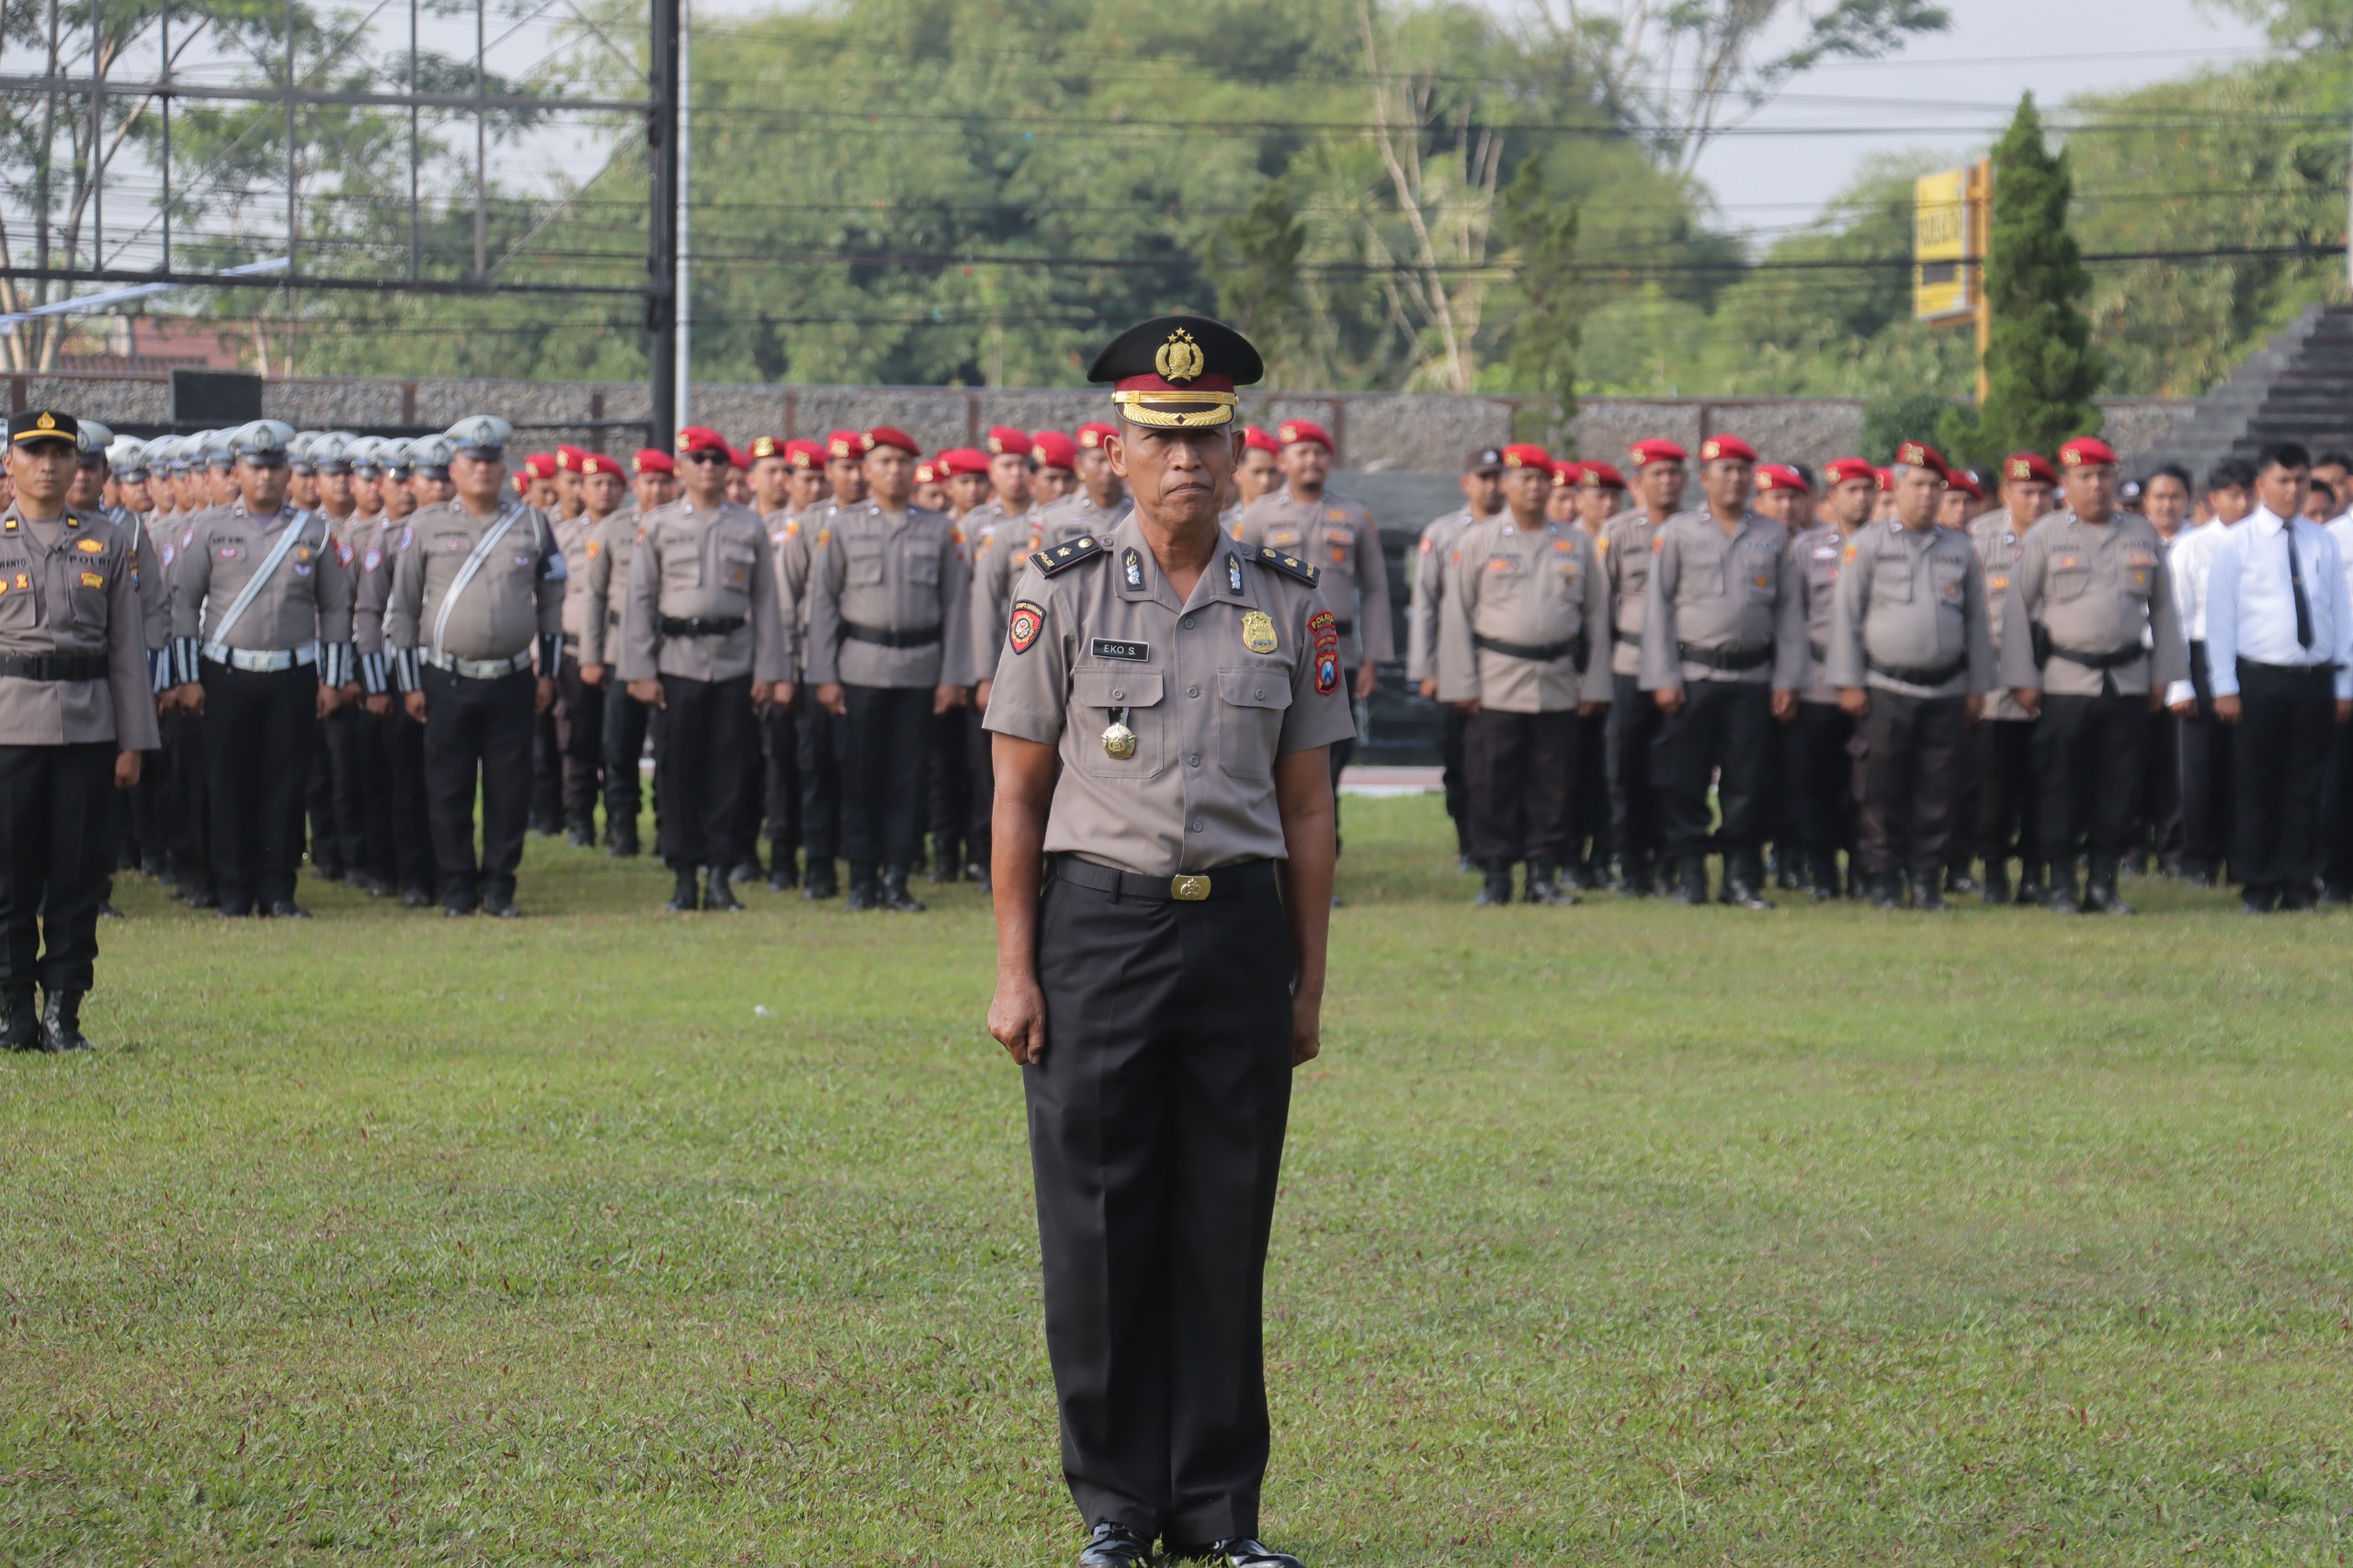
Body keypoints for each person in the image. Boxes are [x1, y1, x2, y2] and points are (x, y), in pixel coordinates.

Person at [983, 314, 1347, 1568]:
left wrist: (1306, 983)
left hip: (1237, 933)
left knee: (1224, 1223)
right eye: (1161, 438)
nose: (1184, 458)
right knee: (1097, 1225)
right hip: (1099, 933)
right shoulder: (1061, 587)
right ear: (1117, 451)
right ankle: (1117, 1507)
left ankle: (1221, 1513)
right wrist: (1015, 969)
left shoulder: (1291, 602)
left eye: (1206, 437)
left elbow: (1310, 811)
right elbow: (1017, 794)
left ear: (1240, 452)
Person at [0, 411, 159, 1051]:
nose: (48, 465)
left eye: (60, 453)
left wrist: (133, 742)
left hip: (88, 731)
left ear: (78, 464)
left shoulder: (108, 542)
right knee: (8, 877)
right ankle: (12, 1010)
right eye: (34, 452)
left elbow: (128, 650)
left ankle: (63, 1012)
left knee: (77, 875)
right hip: (9, 729)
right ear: (9, 462)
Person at [166, 420, 354, 919]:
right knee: (227, 784)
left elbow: (336, 607)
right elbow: (183, 604)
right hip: (226, 675)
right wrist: (187, 678)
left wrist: (334, 679)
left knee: (286, 785)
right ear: (238, 471)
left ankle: (278, 890)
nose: (266, 476)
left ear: (287, 471)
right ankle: (233, 890)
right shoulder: (210, 529)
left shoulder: (314, 532)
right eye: (256, 466)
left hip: (293, 675)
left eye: (274, 466)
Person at [384, 415, 564, 918]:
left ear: (503, 467)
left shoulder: (532, 524)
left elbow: (553, 600)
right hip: (447, 678)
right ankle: (458, 886)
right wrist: (409, 683)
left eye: (491, 460)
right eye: (472, 461)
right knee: (449, 787)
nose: (482, 469)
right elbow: (402, 609)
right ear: (455, 469)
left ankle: (500, 886)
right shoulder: (425, 526)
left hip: (512, 678)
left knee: (510, 788)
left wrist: (548, 671)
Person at [2000, 436, 2188, 915]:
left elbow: (2164, 611)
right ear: (2066, 484)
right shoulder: (2045, 535)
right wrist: (2022, 678)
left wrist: (2163, 677)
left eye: (2104, 475)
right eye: (2084, 476)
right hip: (2065, 680)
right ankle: (2062, 882)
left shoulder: (2141, 533)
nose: (2096, 485)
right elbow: (2017, 609)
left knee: (2120, 786)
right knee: (2060, 786)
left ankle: (2104, 884)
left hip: (2127, 679)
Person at [619, 426, 792, 913]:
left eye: (717, 458)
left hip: (734, 662)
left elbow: (766, 602)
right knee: (677, 773)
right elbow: (640, 601)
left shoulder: (748, 525)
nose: (709, 467)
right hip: (677, 663)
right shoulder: (658, 526)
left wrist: (769, 670)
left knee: (730, 772)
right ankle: (683, 875)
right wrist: (640, 670)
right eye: (699, 458)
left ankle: (720, 873)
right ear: (681, 468)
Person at [803, 426, 972, 912]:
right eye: (884, 462)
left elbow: (956, 606)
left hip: (920, 671)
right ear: (867, 470)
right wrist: (824, 675)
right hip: (860, 669)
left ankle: (897, 877)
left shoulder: (939, 529)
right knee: (860, 776)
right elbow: (824, 604)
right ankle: (862, 878)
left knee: (909, 778)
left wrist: (952, 677)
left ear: (914, 469)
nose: (894, 470)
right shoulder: (843, 526)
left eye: (902, 462)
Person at [1436, 442, 1611, 906]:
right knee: (1491, 781)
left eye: (1541, 479)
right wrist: (1461, 684)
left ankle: (1542, 874)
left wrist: (1595, 684)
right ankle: (1496, 876)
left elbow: (1597, 619)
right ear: (1507, 485)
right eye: (1523, 479)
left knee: (1553, 783)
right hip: (1496, 681)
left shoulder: (1575, 543)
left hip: (1558, 681)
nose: (1533, 487)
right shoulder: (1479, 541)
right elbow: (1456, 616)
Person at [1826, 442, 1996, 910]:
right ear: (1897, 487)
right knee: (1879, 789)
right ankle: (1884, 878)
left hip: (1946, 689)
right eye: (1917, 485)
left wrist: (1978, 687)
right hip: (1885, 688)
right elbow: (1847, 617)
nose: (1926, 494)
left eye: (1934, 486)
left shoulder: (1960, 549)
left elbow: (1977, 623)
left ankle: (1926, 879)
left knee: (1938, 789)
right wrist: (1849, 682)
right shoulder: (1868, 544)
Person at [1640, 434, 1805, 907]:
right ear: (1705, 478)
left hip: (1752, 680)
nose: (1735, 478)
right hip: (1693, 677)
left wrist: (1787, 679)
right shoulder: (1678, 533)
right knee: (1684, 780)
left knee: (1747, 784)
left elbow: (1789, 614)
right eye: (1725, 470)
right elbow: (1658, 609)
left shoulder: (1773, 535)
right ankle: (1691, 873)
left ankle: (1740, 877)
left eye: (1742, 470)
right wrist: (1663, 676)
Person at [2197, 443, 2353, 912]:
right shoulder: (2237, 543)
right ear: (2261, 485)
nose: (2293, 490)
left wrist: (2344, 684)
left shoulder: (2323, 540)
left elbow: (2340, 616)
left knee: (2307, 785)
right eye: (2283, 481)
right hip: (2259, 677)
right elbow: (2220, 620)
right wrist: (2224, 686)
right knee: (2257, 784)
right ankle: (2259, 885)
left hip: (2314, 677)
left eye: (2300, 480)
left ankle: (2299, 883)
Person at [1230, 418, 1390, 876]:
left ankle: (1320, 866)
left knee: (1328, 762)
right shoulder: (1258, 516)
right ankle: (1268, 860)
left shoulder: (1354, 515)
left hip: (1337, 653)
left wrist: (1373, 659)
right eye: (1301, 452)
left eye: (1319, 452)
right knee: (1268, 759)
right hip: (1272, 653)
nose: (1311, 460)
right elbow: (1238, 586)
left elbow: (1375, 589)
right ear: (1283, 461)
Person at [1405, 446, 1506, 870]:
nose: (1493, 486)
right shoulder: (1444, 533)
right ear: (1466, 483)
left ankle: (1504, 843)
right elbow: (1425, 604)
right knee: (1459, 759)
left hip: (1506, 664)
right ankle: (1468, 842)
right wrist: (1425, 669)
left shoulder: (1518, 530)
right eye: (1484, 477)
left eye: (1499, 477)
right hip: (1452, 665)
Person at [1786, 454, 1875, 898]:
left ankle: (1864, 867)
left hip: (1873, 681)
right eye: (1851, 490)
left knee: (1869, 785)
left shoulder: (1888, 545)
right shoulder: (1807, 549)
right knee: (1816, 782)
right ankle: (1821, 869)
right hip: (1819, 681)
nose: (1861, 499)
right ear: (1831, 498)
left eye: (1867, 489)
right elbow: (1792, 620)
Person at [2162, 457, 2254, 887]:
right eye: (2234, 495)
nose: (2244, 503)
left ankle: (2242, 858)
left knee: (2246, 765)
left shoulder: (2264, 544)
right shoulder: (2192, 546)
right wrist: (2179, 684)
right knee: (2200, 767)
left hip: (2250, 656)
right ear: (2214, 499)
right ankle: (2198, 857)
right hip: (2200, 656)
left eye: (2249, 494)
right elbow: (2176, 618)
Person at [1970, 452, 2056, 903]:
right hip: (1998, 683)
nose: (2036, 502)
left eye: (2044, 493)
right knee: (1994, 785)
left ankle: (2035, 873)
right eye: (2026, 493)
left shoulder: (2068, 536)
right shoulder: (1979, 540)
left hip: (2054, 680)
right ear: (2006, 494)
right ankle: (1994, 871)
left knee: (2046, 785)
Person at [1600, 437, 1685, 895]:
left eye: (1673, 473)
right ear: (1638, 482)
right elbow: (1599, 609)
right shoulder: (1616, 533)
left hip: (1682, 667)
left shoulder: (1695, 530)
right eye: (1657, 474)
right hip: (1629, 663)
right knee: (1626, 770)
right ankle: (1632, 866)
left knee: (1676, 772)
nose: (1666, 481)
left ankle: (1670, 864)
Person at [581, 447, 675, 858]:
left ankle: (669, 827)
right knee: (620, 744)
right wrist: (591, 656)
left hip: (670, 648)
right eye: (649, 482)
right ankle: (622, 827)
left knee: (671, 746)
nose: (656, 490)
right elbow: (594, 597)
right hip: (621, 650)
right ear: (635, 486)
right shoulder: (613, 529)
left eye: (664, 482)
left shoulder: (680, 525)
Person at [962, 426, 1043, 890]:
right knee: (986, 770)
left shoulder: (1045, 524)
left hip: (1041, 664)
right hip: (997, 664)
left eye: (1020, 466)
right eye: (1005, 466)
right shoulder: (979, 526)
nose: (1014, 475)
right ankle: (980, 854)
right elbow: (975, 606)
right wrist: (979, 672)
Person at [553, 449, 626, 846]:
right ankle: (580, 820)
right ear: (580, 489)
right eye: (596, 483)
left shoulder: (635, 532)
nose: (604, 491)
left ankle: (620, 822)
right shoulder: (562, 536)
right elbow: (544, 594)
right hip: (573, 652)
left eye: (613, 483)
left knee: (618, 742)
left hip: (619, 651)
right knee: (578, 739)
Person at [1564, 461, 1626, 887]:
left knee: (1610, 771)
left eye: (1614, 496)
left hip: (1618, 666)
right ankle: (1569, 855)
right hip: (1570, 670)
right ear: (1578, 500)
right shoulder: (1564, 543)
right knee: (1570, 771)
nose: (1607, 504)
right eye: (1598, 495)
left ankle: (1604, 854)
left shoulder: (1627, 538)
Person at [1034, 422, 1130, 549]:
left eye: (1113, 460)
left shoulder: (1141, 512)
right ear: (1079, 465)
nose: (1107, 470)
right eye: (1099, 461)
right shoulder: (1053, 517)